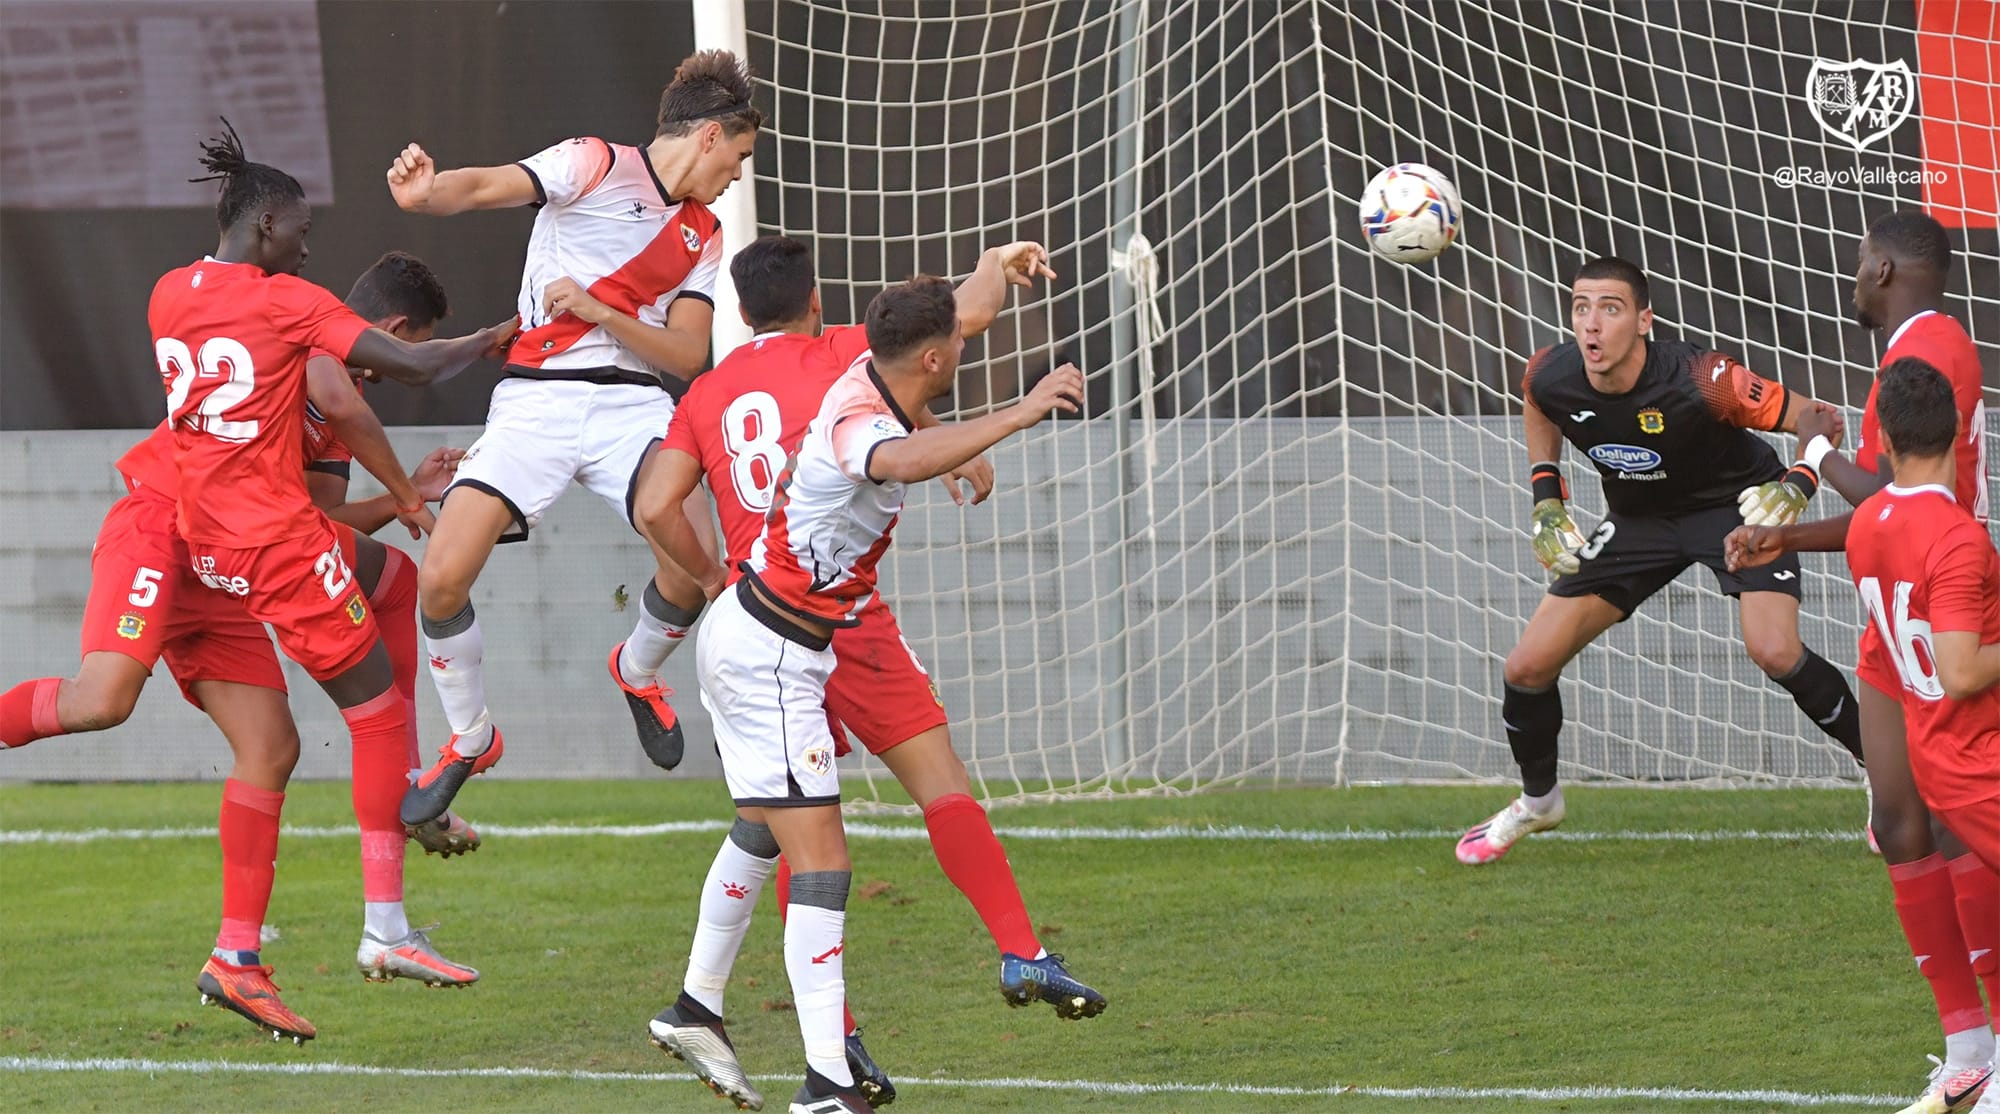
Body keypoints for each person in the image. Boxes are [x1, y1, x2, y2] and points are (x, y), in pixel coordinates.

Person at [634, 236, 1105, 1110]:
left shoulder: (728, 388)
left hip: (772, 628)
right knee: (821, 855)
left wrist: (990, 283)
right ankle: (826, 1075)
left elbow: (654, 503)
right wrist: (1010, 412)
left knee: (775, 830)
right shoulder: (847, 383)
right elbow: (897, 446)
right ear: (819, 308)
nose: (961, 346)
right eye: (953, 348)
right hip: (783, 641)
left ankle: (703, 1007)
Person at [140, 122, 506, 1040]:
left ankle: (396, 808)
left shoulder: (166, 295)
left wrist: (391, 501)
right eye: (299, 229)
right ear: (266, 222)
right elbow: (388, 373)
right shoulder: (288, 307)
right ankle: (387, 924)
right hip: (272, 545)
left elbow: (321, 433)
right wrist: (511, 334)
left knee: (387, 592)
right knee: (371, 713)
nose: (307, 245)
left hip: (217, 543)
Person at [384, 50, 763, 824]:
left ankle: (637, 668)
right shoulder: (594, 163)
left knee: (698, 567)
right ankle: (470, 737)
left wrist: (604, 314)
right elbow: (489, 183)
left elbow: (689, 355)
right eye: (740, 157)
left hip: (634, 407)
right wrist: (427, 196)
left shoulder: (703, 234)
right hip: (537, 401)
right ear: (711, 136)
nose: (737, 176)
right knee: (442, 577)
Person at [1453, 256, 1863, 867]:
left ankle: (1883, 771)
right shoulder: (1552, 373)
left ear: (1644, 320)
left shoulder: (1704, 377)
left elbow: (1819, 416)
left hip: (1734, 508)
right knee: (1526, 667)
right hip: (1640, 521)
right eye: (1581, 308)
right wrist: (1545, 498)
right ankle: (1539, 802)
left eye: (1610, 309)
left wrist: (1799, 482)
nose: (1591, 325)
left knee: (1774, 649)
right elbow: (1538, 403)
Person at [1729, 211, 1997, 1114]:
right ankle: (1965, 1044)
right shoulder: (1920, 343)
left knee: (1956, 819)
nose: (1851, 280)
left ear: (1881, 268)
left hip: (1941, 609)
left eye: (1855, 266)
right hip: (1894, 605)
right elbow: (1889, 513)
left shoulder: (1931, 350)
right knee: (1898, 817)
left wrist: (1810, 445)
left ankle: (1987, 1045)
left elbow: (1900, 498)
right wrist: (1784, 537)